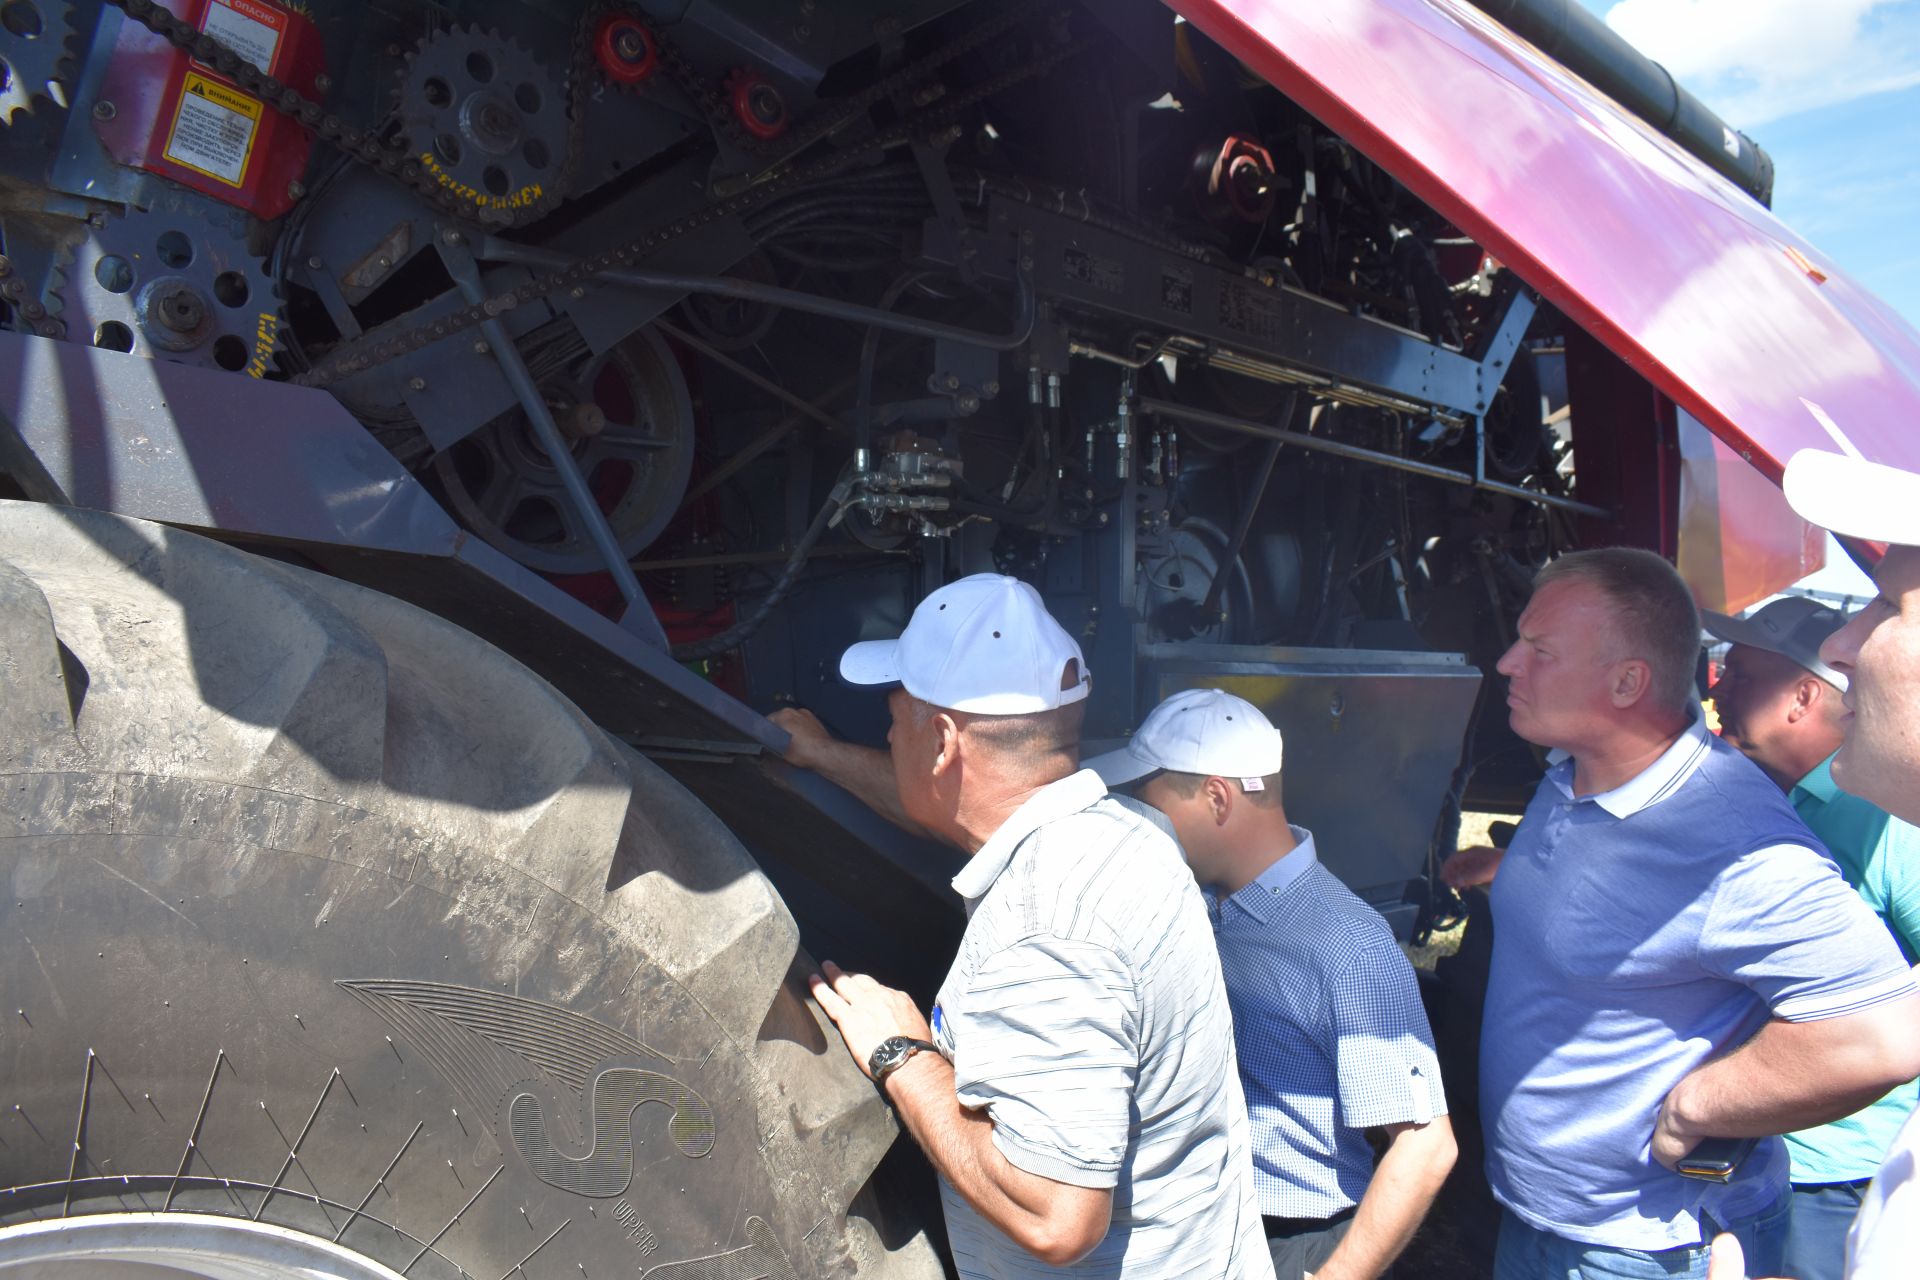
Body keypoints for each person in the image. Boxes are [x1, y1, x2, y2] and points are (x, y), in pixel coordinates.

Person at [770, 573, 1272, 1278]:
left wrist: (903, 1056)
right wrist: (821, 756)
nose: (887, 733)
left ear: (942, 740)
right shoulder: (1129, 836)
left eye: (895, 716)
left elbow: (1056, 1217)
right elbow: (958, 809)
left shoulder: (1047, 932)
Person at [1475, 546, 1920, 1280]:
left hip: (1641, 1250)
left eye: (1539, 649)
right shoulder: (1571, 773)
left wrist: (1699, 1106)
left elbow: (1881, 1036)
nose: (1506, 663)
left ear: (1626, 683)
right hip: (1545, 1218)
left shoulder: (1734, 843)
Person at [1083, 688, 1456, 1280]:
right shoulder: (1197, 903)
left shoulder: (1348, 948)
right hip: (1209, 1229)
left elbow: (1426, 1146)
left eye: (1149, 799)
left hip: (1295, 1243)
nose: (1143, 819)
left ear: (1217, 798)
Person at [1705, 597, 1920, 1280]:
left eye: (1739, 676)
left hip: (1835, 1177)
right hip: (1748, 1152)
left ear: (1802, 695)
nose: (1719, 692)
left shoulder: (1885, 822)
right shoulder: (1757, 795)